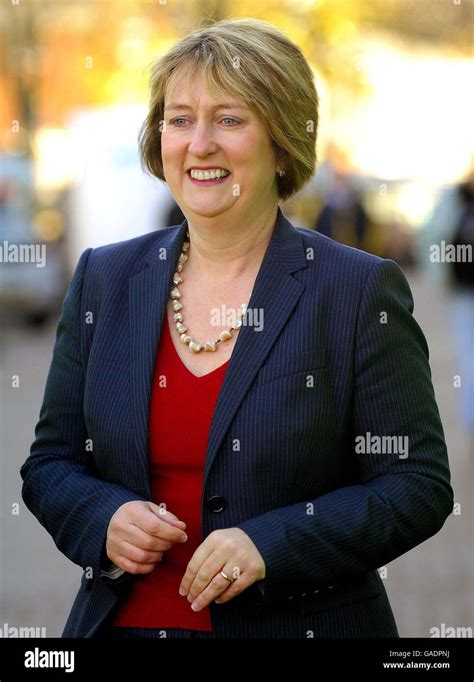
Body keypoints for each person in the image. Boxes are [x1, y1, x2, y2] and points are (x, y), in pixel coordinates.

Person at [20, 18, 453, 640]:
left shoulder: (356, 291)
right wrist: (102, 517)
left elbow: (416, 485)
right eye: (179, 119)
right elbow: (52, 464)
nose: (199, 144)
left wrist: (272, 544)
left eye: (229, 119)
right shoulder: (105, 278)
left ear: (281, 143)